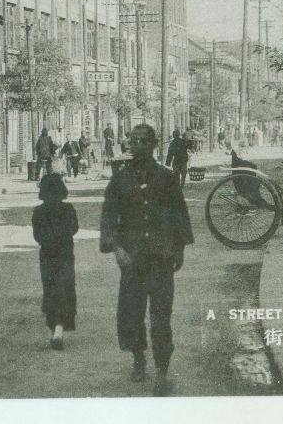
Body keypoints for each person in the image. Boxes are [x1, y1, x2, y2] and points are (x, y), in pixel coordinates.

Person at [100, 123, 194, 397]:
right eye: (132, 141)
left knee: (161, 318)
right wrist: (117, 249)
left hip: (161, 259)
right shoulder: (120, 179)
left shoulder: (166, 177)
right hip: (132, 260)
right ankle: (139, 359)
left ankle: (162, 371)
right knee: (132, 315)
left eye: (142, 141)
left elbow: (179, 214)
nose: (136, 146)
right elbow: (108, 217)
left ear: (153, 145)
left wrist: (179, 249)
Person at [32, 172, 79, 350]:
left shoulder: (38, 211)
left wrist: (48, 241)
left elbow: (37, 235)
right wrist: (62, 237)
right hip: (65, 254)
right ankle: (60, 328)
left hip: (47, 256)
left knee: (50, 289)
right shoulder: (68, 209)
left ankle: (54, 329)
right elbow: (74, 228)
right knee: (65, 288)